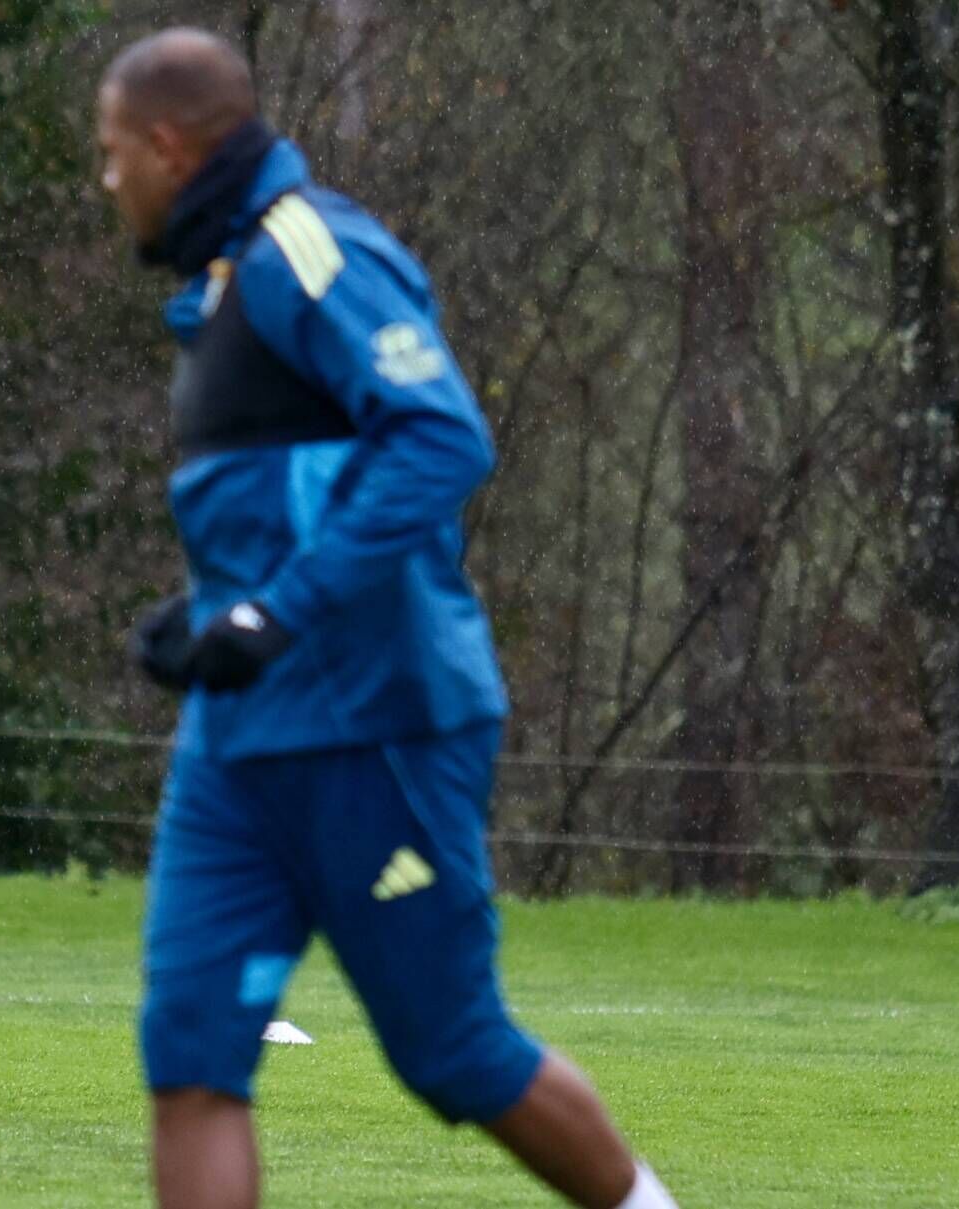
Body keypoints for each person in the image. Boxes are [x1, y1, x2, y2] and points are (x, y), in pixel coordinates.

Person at [99, 28, 677, 1208]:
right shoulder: (223, 281)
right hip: (238, 744)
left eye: (112, 156)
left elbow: (440, 437)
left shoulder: (309, 251)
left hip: (375, 726)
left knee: (452, 1053)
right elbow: (291, 512)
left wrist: (277, 612)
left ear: (167, 145)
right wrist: (207, 618)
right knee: (192, 1050)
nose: (107, 184)